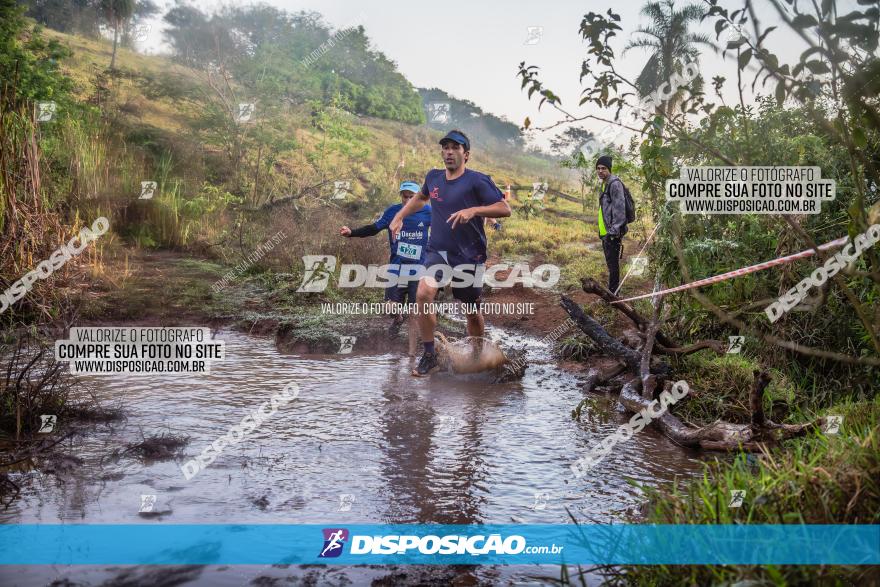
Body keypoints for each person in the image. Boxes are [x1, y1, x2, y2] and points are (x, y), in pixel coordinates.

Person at [389, 130, 511, 376]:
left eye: (455, 148)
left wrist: (474, 211)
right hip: (439, 252)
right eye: (445, 147)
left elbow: (504, 208)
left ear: (466, 154)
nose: (448, 152)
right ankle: (430, 353)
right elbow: (421, 199)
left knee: (471, 310)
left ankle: (477, 356)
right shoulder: (433, 178)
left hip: (469, 255)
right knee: (423, 293)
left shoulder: (478, 180)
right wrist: (399, 216)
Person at [340, 181, 431, 355]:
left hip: (418, 269)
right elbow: (374, 228)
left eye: (412, 197)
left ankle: (412, 354)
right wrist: (352, 232)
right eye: (405, 197)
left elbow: (444, 228)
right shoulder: (392, 212)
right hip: (396, 268)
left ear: (418, 197)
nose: (408, 200)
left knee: (414, 313)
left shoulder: (428, 212)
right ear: (401, 196)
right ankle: (398, 318)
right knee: (389, 307)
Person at [596, 155, 628, 294]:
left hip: (612, 234)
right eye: (598, 168)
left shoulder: (614, 184)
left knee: (613, 266)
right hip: (606, 232)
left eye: (603, 168)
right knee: (610, 265)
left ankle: (614, 295)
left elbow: (620, 210)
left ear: (609, 169)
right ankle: (612, 293)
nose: (600, 171)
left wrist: (613, 232)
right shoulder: (605, 183)